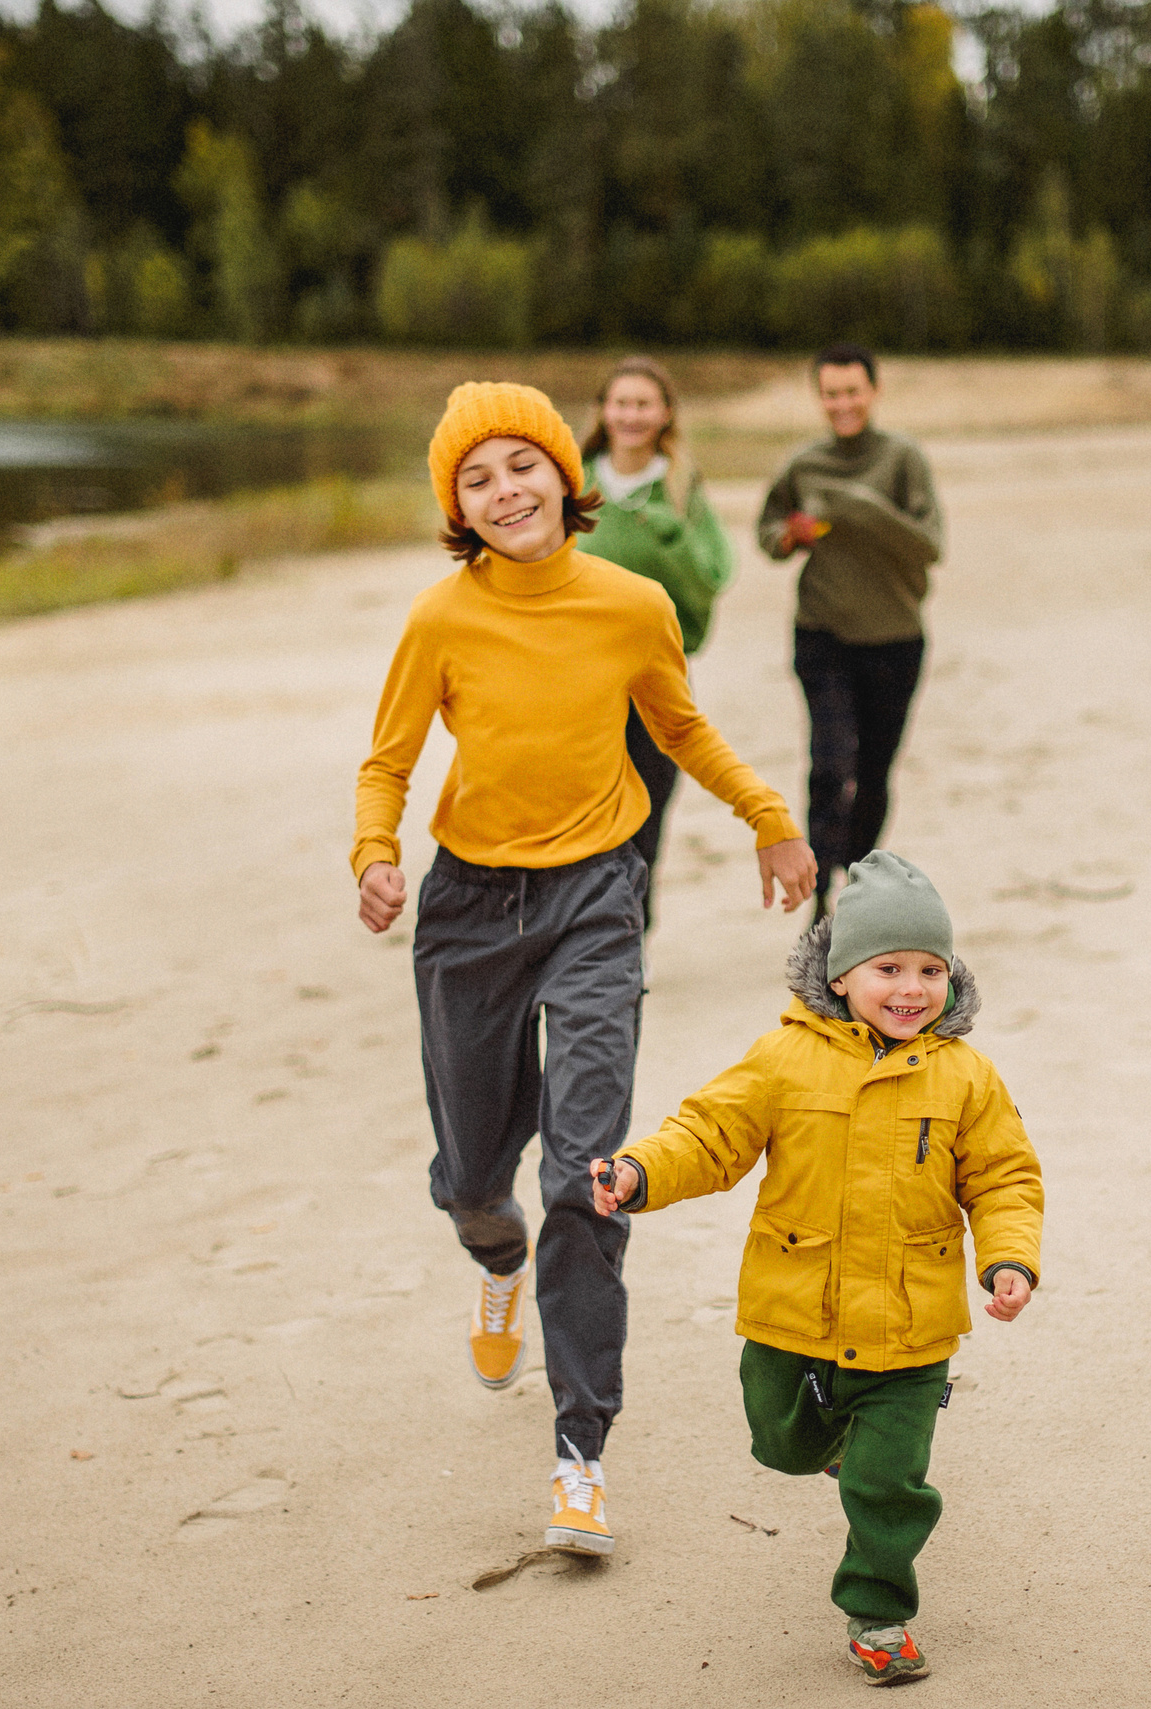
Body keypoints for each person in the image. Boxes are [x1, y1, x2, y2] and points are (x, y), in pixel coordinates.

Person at [352, 381, 817, 1558]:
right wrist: (373, 855)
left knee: (587, 1174)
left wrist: (768, 815)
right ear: (456, 504)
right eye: (476, 476)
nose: (505, 489)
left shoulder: (632, 603)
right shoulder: (439, 619)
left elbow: (681, 727)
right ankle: (492, 1253)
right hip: (466, 907)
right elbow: (388, 762)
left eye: (523, 464)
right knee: (472, 1177)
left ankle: (579, 1454)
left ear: (570, 476)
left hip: (598, 902)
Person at [588, 851, 1043, 1684]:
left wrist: (1008, 1257)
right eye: (889, 968)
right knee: (781, 1441)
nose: (912, 988)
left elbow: (1004, 1176)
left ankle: (878, 1610)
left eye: (931, 970)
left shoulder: (967, 1075)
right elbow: (709, 1134)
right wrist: (640, 1172)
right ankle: (825, 1441)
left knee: (890, 1481)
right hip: (796, 1310)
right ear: (840, 976)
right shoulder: (784, 1058)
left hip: (913, 1324)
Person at [758, 344, 945, 912]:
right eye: (831, 393)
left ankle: (855, 881)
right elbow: (769, 534)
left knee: (872, 772)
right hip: (823, 635)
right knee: (829, 764)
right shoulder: (803, 464)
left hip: (895, 638)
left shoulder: (902, 460)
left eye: (852, 392)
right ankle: (817, 896)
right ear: (820, 397)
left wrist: (862, 508)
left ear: (874, 392)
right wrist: (790, 535)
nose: (842, 404)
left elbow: (931, 545)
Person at [578, 356, 735, 934]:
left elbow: (712, 574)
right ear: (603, 411)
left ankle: (632, 926)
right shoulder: (573, 481)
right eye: (621, 403)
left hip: (657, 680)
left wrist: (671, 534)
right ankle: (587, 927)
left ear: (665, 413)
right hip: (578, 682)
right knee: (587, 810)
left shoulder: (680, 485)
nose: (631, 415)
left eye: (644, 403)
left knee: (646, 810)